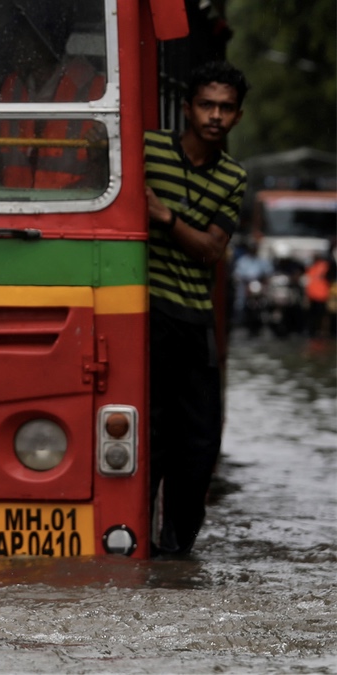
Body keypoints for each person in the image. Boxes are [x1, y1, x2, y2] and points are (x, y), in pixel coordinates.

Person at [144, 61, 249, 557]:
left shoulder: (233, 177)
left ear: (238, 117)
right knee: (153, 436)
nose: (215, 116)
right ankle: (134, 544)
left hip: (196, 320)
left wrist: (165, 216)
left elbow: (211, 251)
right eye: (207, 105)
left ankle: (176, 554)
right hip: (149, 316)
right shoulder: (149, 150)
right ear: (187, 109)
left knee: (201, 446)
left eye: (225, 108)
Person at [0, 7, 105, 190]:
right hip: (13, 205)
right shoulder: (11, 86)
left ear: (46, 39)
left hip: (77, 207)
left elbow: (109, 170)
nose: (14, 44)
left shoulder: (95, 88)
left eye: (23, 36)